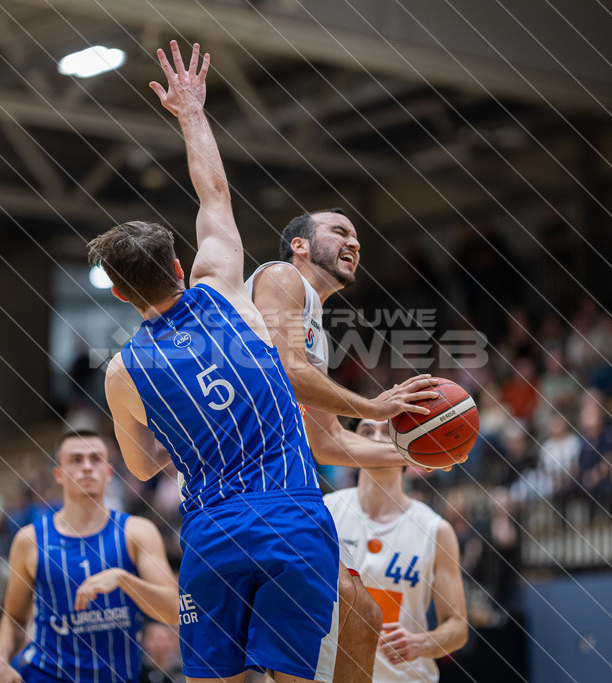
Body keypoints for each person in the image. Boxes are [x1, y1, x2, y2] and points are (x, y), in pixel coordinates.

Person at [91, 42, 404, 683]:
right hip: (290, 514)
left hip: (211, 533)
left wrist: (191, 429)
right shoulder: (222, 286)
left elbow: (143, 464)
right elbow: (212, 190)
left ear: (120, 295)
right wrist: (190, 113)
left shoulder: (122, 373)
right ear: (180, 265)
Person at [245, 207, 439, 681]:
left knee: (357, 618)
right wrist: (375, 408)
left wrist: (418, 452)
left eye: (357, 237)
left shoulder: (316, 325)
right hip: (252, 484)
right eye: (340, 232)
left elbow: (329, 442)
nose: (354, 243)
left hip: (281, 485)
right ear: (300, 245)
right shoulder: (282, 277)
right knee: (330, 628)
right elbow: (286, 372)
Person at [0, 430, 178, 683]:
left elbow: (175, 610)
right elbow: (14, 617)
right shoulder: (30, 540)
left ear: (109, 472)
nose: (87, 467)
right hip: (47, 676)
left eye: (96, 459)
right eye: (76, 460)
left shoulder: (137, 532)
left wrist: (124, 579)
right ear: (59, 474)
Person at [324, 419, 468, 683]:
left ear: (409, 445)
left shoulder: (436, 530)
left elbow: (457, 628)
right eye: (366, 431)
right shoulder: (325, 512)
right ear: (351, 442)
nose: (377, 439)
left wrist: (421, 643)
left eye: (389, 433)